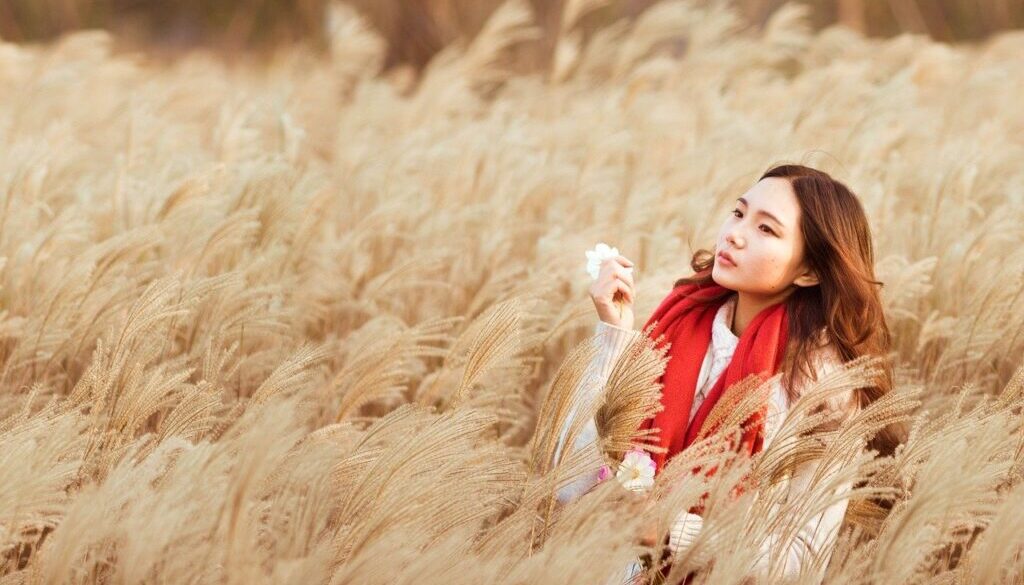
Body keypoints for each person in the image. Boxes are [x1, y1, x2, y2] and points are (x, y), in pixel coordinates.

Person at [552, 164, 906, 584]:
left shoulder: (821, 387)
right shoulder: (675, 329)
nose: (735, 234)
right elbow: (568, 483)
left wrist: (672, 530)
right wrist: (614, 337)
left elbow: (802, 559)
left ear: (809, 271)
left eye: (767, 230)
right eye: (738, 214)